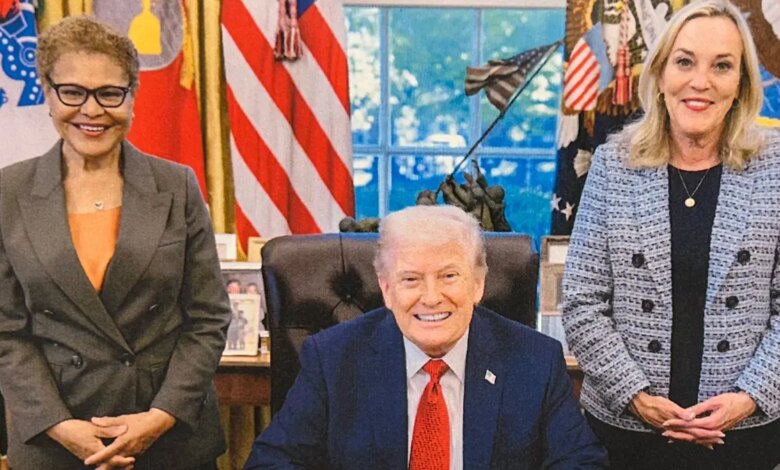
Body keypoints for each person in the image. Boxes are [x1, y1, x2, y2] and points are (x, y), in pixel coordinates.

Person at [0, 16, 231, 469]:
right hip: (56, 441)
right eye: (73, 92)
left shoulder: (177, 186)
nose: (92, 110)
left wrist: (160, 418)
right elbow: (6, 332)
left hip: (169, 437)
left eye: (110, 93)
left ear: (131, 97)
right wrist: (62, 427)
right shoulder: (8, 193)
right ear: (48, 94)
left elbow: (208, 318)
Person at [562, 1, 780, 468]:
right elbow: (582, 303)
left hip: (744, 437)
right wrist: (638, 398)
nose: (700, 81)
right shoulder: (612, 165)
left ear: (741, 83)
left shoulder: (775, 167)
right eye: (684, 62)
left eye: (722, 66)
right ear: (659, 75)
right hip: (626, 435)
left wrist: (747, 397)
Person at [244, 205, 608, 469]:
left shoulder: (535, 361)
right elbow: (273, 462)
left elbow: (581, 463)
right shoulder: (334, 358)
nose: (431, 297)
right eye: (410, 279)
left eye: (449, 276)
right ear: (386, 290)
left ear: (478, 284)